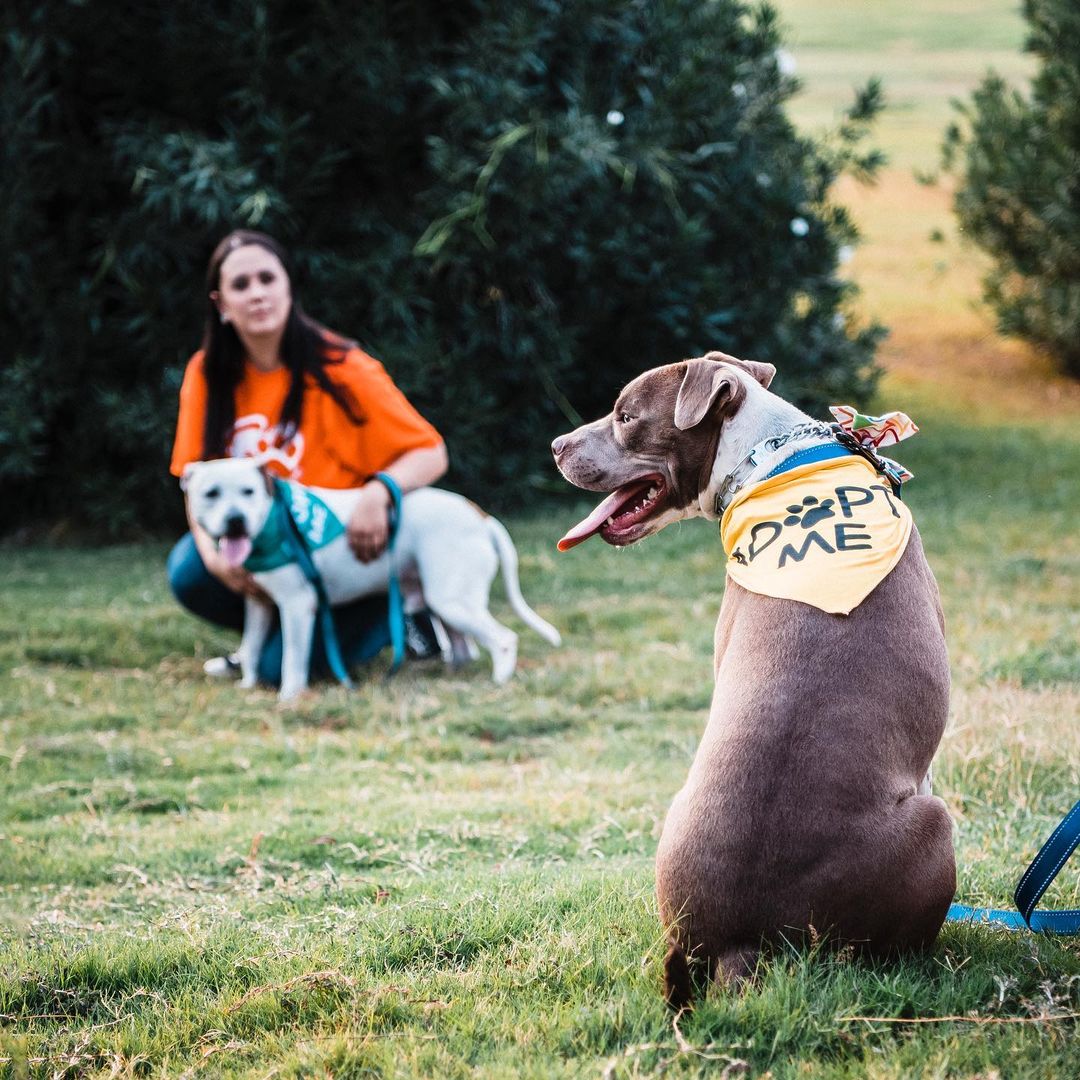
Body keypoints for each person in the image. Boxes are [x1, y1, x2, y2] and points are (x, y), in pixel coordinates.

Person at [167, 229, 448, 684]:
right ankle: (279, 631)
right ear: (221, 303)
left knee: (279, 672)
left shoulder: (343, 367)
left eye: (266, 278)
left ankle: (397, 609)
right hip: (270, 545)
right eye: (241, 285)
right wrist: (215, 555)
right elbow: (193, 478)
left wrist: (380, 493)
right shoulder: (207, 374)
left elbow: (431, 452)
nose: (256, 293)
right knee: (190, 569)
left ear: (288, 286)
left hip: (347, 552)